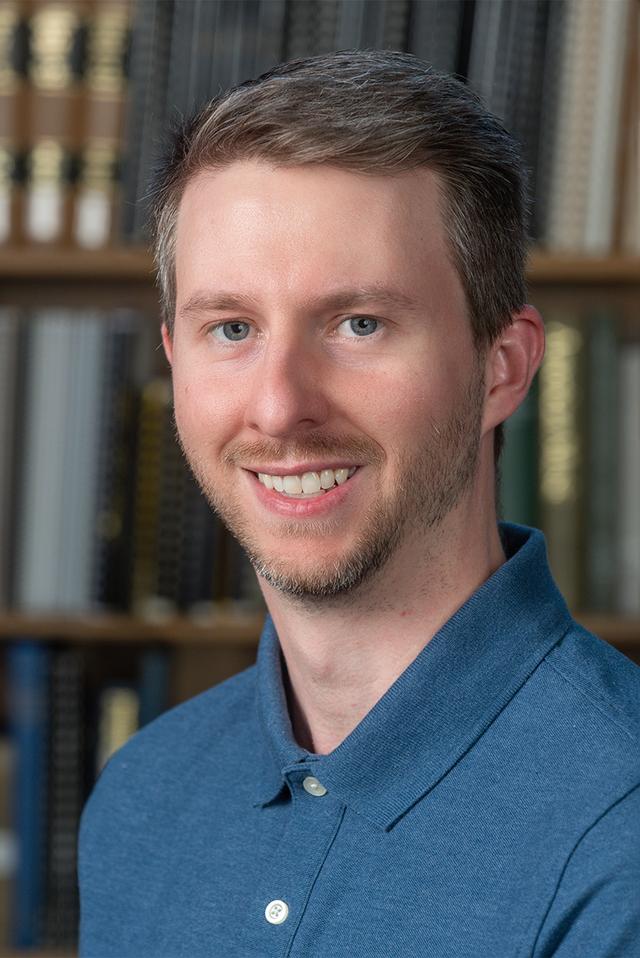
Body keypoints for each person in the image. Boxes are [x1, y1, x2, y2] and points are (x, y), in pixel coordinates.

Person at [79, 50, 640, 957]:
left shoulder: (622, 828)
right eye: (231, 328)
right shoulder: (143, 796)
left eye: (359, 324)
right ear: (174, 360)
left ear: (502, 369)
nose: (279, 406)